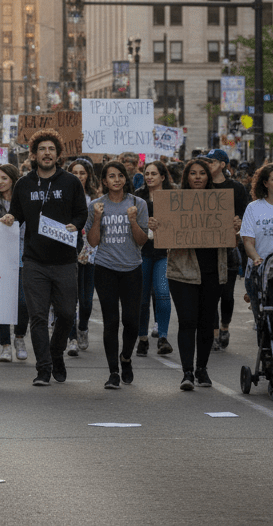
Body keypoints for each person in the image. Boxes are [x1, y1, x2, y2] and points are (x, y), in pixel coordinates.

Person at [0, 131, 88, 387]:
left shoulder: (71, 182)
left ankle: (56, 350)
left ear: (58, 153)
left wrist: (76, 225)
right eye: (42, 149)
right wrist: (10, 218)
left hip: (64, 261)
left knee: (66, 314)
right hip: (34, 262)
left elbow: (81, 213)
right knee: (37, 317)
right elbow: (17, 213)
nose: (47, 153)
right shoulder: (23, 184)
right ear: (34, 154)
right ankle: (44, 368)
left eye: (51, 149)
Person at [163, 159, 230, 390]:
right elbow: (164, 238)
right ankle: (187, 373)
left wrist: (234, 228)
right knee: (187, 320)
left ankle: (202, 369)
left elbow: (232, 242)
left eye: (202, 173)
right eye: (193, 173)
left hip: (213, 271)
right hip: (183, 271)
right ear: (187, 177)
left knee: (206, 321)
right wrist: (157, 226)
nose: (198, 177)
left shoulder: (220, 203)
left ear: (208, 177)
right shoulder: (175, 202)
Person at [85, 161, 150, 389]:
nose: (116, 179)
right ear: (104, 181)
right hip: (105, 269)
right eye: (111, 176)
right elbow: (93, 241)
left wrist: (133, 221)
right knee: (111, 322)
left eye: (120, 175)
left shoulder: (137, 203)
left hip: (132, 269)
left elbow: (142, 241)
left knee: (131, 321)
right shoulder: (95, 205)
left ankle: (126, 358)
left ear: (125, 179)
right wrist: (96, 219)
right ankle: (113, 371)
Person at [0, 164, 28, 363]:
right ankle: (5, 345)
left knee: (23, 302)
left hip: (22, 258)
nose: (0, 182)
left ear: (13, 180)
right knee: (2, 303)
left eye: (4, 178)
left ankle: (19, 338)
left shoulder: (24, 202)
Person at [204, 149, 248, 350]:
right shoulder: (202, 187)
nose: (208, 164)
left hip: (229, 246)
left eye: (211, 161)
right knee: (210, 293)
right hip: (207, 246)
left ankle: (224, 327)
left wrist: (239, 223)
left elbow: (245, 216)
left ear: (222, 164)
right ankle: (213, 333)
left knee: (227, 294)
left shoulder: (236, 188)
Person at [134, 160, 173, 358]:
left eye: (153, 174)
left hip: (164, 253)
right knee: (141, 298)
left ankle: (163, 337)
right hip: (141, 253)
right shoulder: (137, 197)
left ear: (163, 177)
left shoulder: (173, 197)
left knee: (162, 293)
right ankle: (142, 339)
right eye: (146, 173)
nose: (149, 177)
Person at [67, 158, 99, 355]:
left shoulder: (96, 200)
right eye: (74, 173)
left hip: (90, 254)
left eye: (82, 173)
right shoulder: (63, 196)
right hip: (68, 253)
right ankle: (71, 338)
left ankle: (83, 327)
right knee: (70, 299)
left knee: (86, 301)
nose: (78, 176)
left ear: (88, 176)